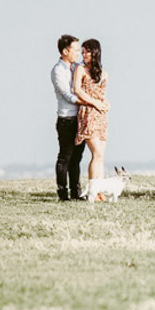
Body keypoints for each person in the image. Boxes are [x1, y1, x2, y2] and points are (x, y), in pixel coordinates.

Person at [50, 34, 102, 202]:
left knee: (77, 158)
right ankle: (63, 193)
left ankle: (76, 192)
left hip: (80, 119)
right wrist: (92, 103)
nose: (79, 53)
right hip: (67, 119)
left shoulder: (77, 67)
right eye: (76, 50)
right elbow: (68, 95)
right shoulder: (58, 70)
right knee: (65, 156)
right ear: (65, 51)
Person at [73, 38, 110, 202]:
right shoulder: (80, 69)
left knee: (101, 155)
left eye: (87, 51)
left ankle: (100, 191)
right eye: (82, 52)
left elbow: (102, 94)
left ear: (94, 52)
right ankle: (93, 191)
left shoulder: (103, 74)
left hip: (101, 115)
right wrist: (94, 102)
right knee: (97, 152)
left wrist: (105, 103)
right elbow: (77, 90)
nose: (84, 55)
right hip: (88, 112)